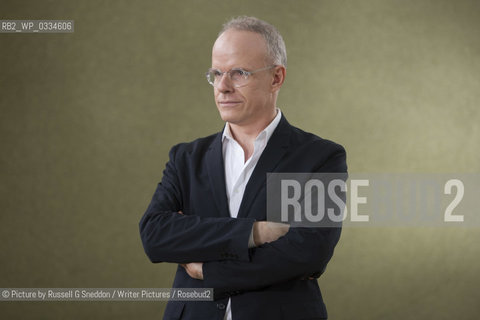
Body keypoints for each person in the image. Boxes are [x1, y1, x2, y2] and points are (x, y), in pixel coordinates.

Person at [139, 16, 347, 320]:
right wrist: (255, 232)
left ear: (276, 77)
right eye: (216, 73)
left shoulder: (321, 157)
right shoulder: (185, 158)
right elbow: (155, 235)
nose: (222, 87)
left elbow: (308, 253)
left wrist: (207, 270)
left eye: (239, 73)